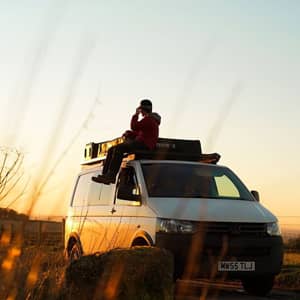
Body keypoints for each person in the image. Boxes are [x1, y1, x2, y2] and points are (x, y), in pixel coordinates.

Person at [92, 99, 161, 184]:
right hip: (142, 143)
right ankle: (105, 175)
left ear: (142, 109)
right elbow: (140, 132)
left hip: (144, 145)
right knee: (112, 149)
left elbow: (134, 126)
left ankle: (111, 175)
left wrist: (135, 115)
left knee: (119, 149)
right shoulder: (150, 120)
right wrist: (129, 133)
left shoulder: (149, 119)